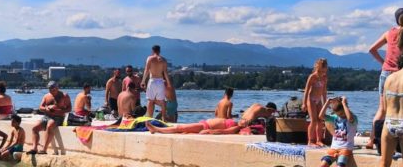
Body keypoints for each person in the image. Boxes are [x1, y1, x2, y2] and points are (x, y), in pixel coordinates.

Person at [367, 8, 403, 149]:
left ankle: (372, 140)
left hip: (387, 73)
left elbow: (372, 49)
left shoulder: (389, 33)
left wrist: (384, 63)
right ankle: (401, 140)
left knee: (382, 110)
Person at [147, 103, 277, 135]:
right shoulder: (245, 118)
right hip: (206, 123)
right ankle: (158, 128)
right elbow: (256, 110)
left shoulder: (239, 126)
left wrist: (210, 132)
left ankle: (157, 129)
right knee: (182, 128)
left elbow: (226, 132)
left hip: (207, 126)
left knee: (181, 128)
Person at [28, 81, 71, 155]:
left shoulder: (64, 95)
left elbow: (69, 108)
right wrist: (46, 109)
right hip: (47, 116)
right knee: (34, 128)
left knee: (49, 126)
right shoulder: (46, 96)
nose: (51, 91)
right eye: (50, 89)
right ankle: (34, 148)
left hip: (58, 117)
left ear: (57, 88)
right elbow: (40, 107)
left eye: (53, 89)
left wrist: (58, 110)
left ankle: (44, 149)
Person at [319, 97, 357, 167]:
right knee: (323, 165)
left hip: (345, 149)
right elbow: (321, 116)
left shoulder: (353, 118)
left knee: (340, 165)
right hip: (334, 148)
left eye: (342, 113)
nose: (340, 115)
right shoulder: (335, 117)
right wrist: (327, 103)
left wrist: (344, 103)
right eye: (338, 114)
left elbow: (350, 118)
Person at [303, 58, 329, 146]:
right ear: (317, 67)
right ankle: (310, 141)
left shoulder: (325, 77)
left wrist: (325, 103)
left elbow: (324, 91)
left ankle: (319, 140)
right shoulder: (312, 76)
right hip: (311, 99)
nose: (323, 71)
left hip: (319, 100)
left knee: (320, 120)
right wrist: (304, 103)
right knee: (313, 120)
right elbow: (306, 90)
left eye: (324, 69)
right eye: (321, 69)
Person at [141, 45, 172, 119]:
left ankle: (149, 118)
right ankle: (164, 118)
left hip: (152, 81)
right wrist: (168, 83)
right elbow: (165, 72)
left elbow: (146, 70)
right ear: (159, 50)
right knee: (162, 101)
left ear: (152, 51)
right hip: (160, 81)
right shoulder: (164, 60)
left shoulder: (150, 58)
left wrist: (143, 81)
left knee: (150, 100)